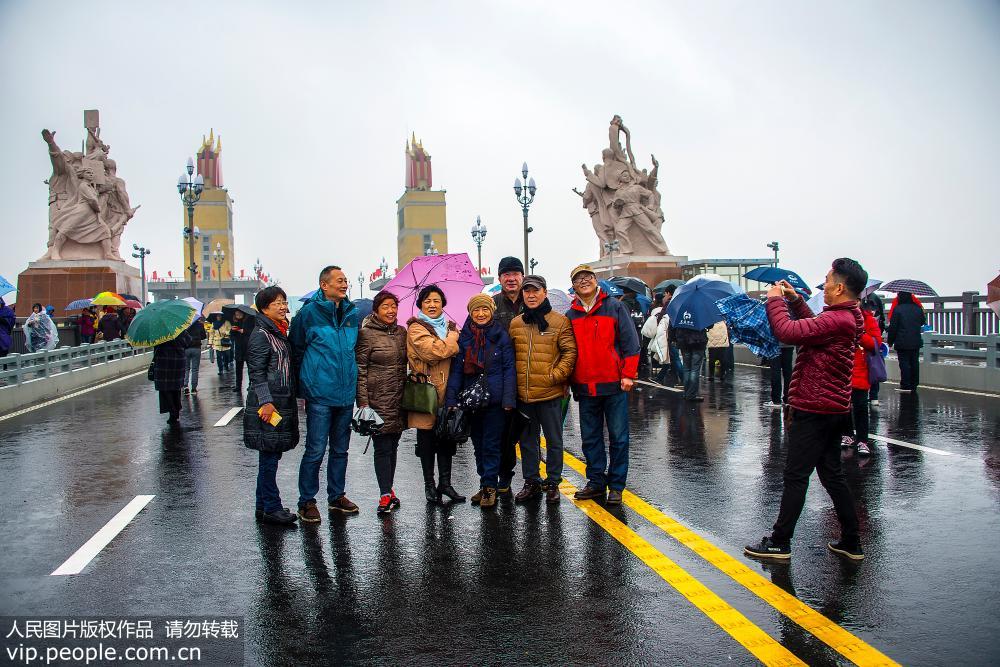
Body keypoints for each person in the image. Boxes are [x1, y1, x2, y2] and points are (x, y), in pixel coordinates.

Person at [744, 258, 868, 562]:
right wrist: (796, 301)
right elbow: (814, 327)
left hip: (814, 409)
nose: (823, 285)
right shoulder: (848, 316)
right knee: (832, 476)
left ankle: (779, 542)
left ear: (839, 287)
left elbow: (787, 332)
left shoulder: (839, 319)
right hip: (832, 408)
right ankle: (851, 541)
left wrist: (774, 302)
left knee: (796, 476)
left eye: (826, 280)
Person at [289, 265, 360, 522]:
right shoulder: (308, 314)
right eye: (340, 281)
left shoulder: (352, 314)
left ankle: (336, 496)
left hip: (345, 393)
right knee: (316, 449)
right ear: (324, 284)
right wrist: (303, 386)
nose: (344, 285)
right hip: (319, 393)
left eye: (346, 281)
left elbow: (355, 352)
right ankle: (306, 501)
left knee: (341, 450)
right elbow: (296, 350)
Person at [565, 265, 640, 505]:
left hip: (614, 384)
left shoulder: (615, 307)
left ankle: (617, 485)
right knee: (590, 438)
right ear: (574, 286)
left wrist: (628, 374)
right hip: (585, 386)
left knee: (618, 437)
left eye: (587, 277)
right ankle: (596, 482)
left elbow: (631, 343)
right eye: (578, 279)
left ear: (596, 281)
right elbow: (568, 351)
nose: (584, 281)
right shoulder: (571, 315)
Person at [508, 275, 577, 504]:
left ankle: (553, 483)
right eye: (527, 291)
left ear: (544, 292)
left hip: (550, 394)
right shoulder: (516, 323)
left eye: (535, 290)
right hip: (524, 395)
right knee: (527, 442)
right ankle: (532, 481)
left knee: (554, 441)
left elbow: (569, 352)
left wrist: (555, 376)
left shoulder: (559, 321)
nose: (531, 295)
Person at [446, 294, 516, 509]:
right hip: (471, 400)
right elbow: (457, 371)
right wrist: (451, 398)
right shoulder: (464, 337)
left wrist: (508, 399)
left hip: (495, 400)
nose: (481, 314)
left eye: (485, 309)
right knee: (477, 444)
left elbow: (509, 369)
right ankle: (485, 483)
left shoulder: (501, 335)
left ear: (491, 311)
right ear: (470, 312)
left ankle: (489, 487)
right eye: (476, 310)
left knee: (492, 444)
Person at [243, 286, 299, 526]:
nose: (284, 306)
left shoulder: (277, 332)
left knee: (270, 454)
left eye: (285, 302)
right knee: (269, 457)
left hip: (280, 401)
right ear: (265, 307)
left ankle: (263, 505)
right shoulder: (261, 335)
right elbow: (256, 373)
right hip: (269, 404)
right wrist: (266, 402)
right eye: (278, 302)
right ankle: (272, 507)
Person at [406, 284, 461, 504]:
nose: (432, 305)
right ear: (421, 304)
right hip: (426, 392)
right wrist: (453, 340)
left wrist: (451, 338)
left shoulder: (449, 326)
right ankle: (429, 485)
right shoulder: (416, 327)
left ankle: (445, 484)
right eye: (427, 301)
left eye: (436, 301)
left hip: (448, 392)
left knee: (447, 437)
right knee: (427, 440)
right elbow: (433, 352)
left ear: (442, 304)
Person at [355, 290, 408, 514]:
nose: (391, 310)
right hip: (377, 399)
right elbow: (360, 369)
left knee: (393, 445)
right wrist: (363, 403)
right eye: (386, 306)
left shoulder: (402, 332)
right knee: (382, 447)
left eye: (394, 306)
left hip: (399, 398)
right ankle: (384, 494)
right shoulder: (366, 334)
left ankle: (389, 488)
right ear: (376, 310)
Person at [492, 256, 526, 496]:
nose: (511, 278)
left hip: (529, 375)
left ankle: (533, 480)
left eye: (516, 274)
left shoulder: (533, 300)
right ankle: (504, 476)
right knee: (503, 433)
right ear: (500, 278)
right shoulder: (492, 305)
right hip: (502, 377)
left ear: (522, 277)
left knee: (529, 431)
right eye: (506, 274)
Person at [841, 302, 882, 456]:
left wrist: (859, 332)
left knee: (860, 405)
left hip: (860, 368)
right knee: (843, 404)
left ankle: (863, 440)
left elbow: (875, 343)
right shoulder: (840, 318)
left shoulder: (868, 319)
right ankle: (847, 434)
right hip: (842, 366)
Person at [887, 290, 925, 393]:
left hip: (902, 341)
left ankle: (905, 385)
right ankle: (914, 384)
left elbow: (893, 327)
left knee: (904, 363)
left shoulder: (898, 310)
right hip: (915, 341)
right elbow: (922, 322)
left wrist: (890, 341)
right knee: (914, 363)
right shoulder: (918, 308)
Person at [153, 329, 191, 425]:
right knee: (176, 387)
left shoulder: (159, 331)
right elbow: (188, 342)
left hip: (163, 362)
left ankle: (172, 411)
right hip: (178, 361)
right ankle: (176, 411)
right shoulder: (179, 329)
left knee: (165, 388)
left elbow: (154, 345)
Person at [671, 322, 708, 402]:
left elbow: (674, 325)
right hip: (698, 341)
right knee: (695, 369)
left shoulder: (681, 310)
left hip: (683, 341)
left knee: (687, 367)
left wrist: (674, 338)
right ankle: (691, 394)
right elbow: (709, 325)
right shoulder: (700, 311)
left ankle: (687, 392)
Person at [863, 293, 886, 405]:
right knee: (873, 369)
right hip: (869, 349)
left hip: (865, 348)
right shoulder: (875, 299)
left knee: (871, 369)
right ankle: (873, 397)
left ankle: (872, 396)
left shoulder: (867, 319)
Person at [230, 309, 256, 394]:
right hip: (238, 348)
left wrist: (244, 331)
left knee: (250, 368)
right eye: (236, 314)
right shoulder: (235, 322)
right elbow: (232, 336)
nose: (237, 315)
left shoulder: (250, 320)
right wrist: (232, 330)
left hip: (248, 347)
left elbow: (253, 332)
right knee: (238, 369)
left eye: (238, 314)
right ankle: (238, 386)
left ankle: (251, 384)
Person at [764, 343, 794, 409]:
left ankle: (776, 400)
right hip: (788, 343)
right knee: (788, 371)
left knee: (775, 371)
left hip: (774, 343)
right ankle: (788, 399)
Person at [182, 317, 207, 394]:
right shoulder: (199, 324)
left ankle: (185, 386)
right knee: (195, 369)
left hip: (186, 348)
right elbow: (204, 336)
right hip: (196, 348)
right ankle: (193, 388)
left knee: (186, 368)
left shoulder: (184, 325)